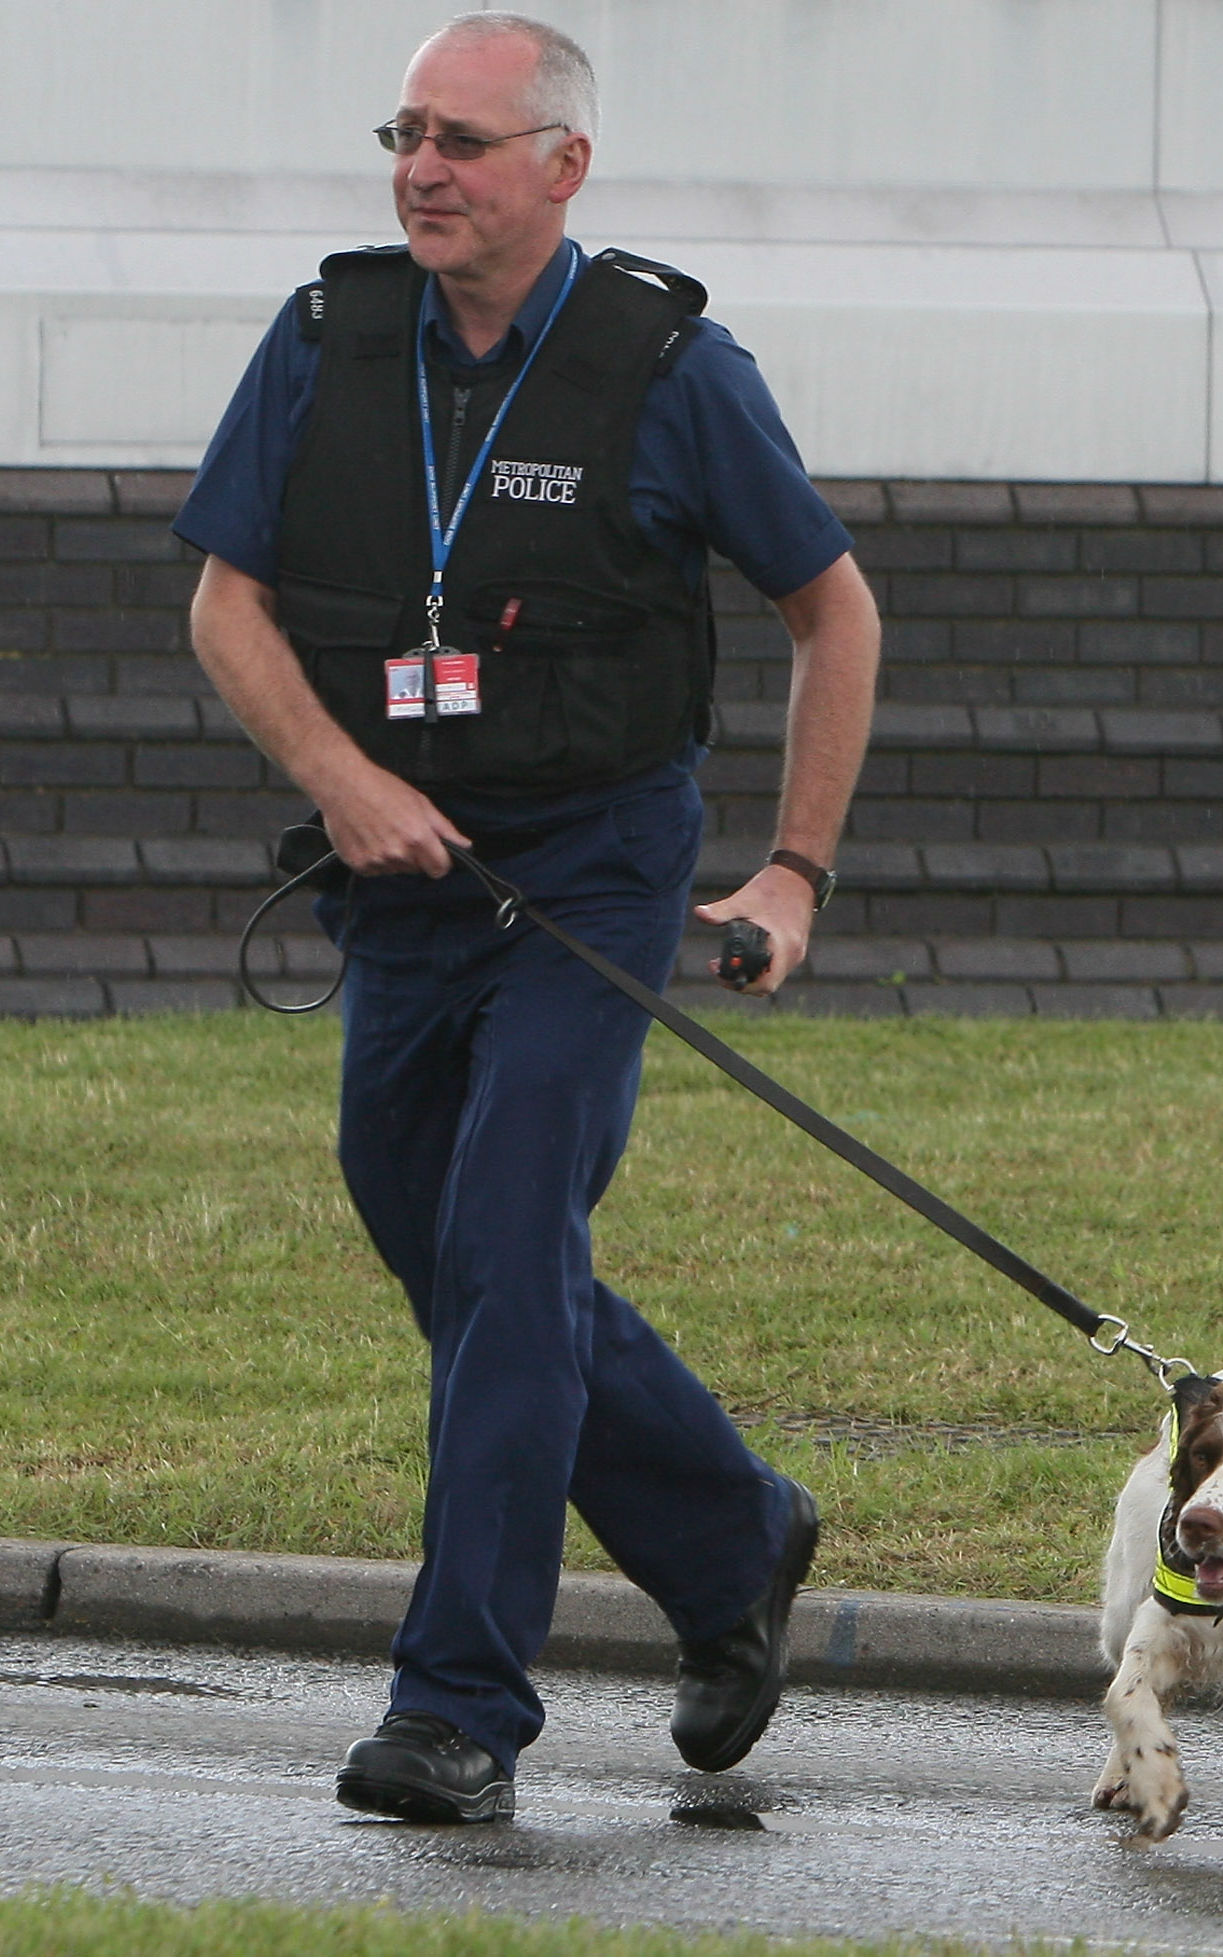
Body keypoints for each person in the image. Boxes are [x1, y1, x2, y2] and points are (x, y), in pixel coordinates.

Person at [174, 11, 881, 1823]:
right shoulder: (328, 336)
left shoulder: (669, 364)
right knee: (453, 1251)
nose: (421, 166)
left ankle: (457, 1709)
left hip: (587, 877)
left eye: (464, 141)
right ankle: (733, 1535)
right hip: (394, 874)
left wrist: (789, 872)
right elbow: (227, 609)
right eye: (405, 131)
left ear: (562, 170)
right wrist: (342, 780)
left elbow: (834, 614)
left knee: (503, 1243)